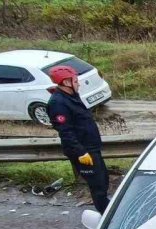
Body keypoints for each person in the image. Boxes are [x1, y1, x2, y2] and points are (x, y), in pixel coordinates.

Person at [47, 65, 110, 213]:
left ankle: (107, 207)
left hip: (91, 148)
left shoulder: (71, 96)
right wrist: (81, 152)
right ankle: (105, 215)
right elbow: (65, 131)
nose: (78, 83)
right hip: (83, 152)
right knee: (97, 185)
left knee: (103, 179)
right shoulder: (58, 103)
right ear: (66, 83)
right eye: (75, 81)